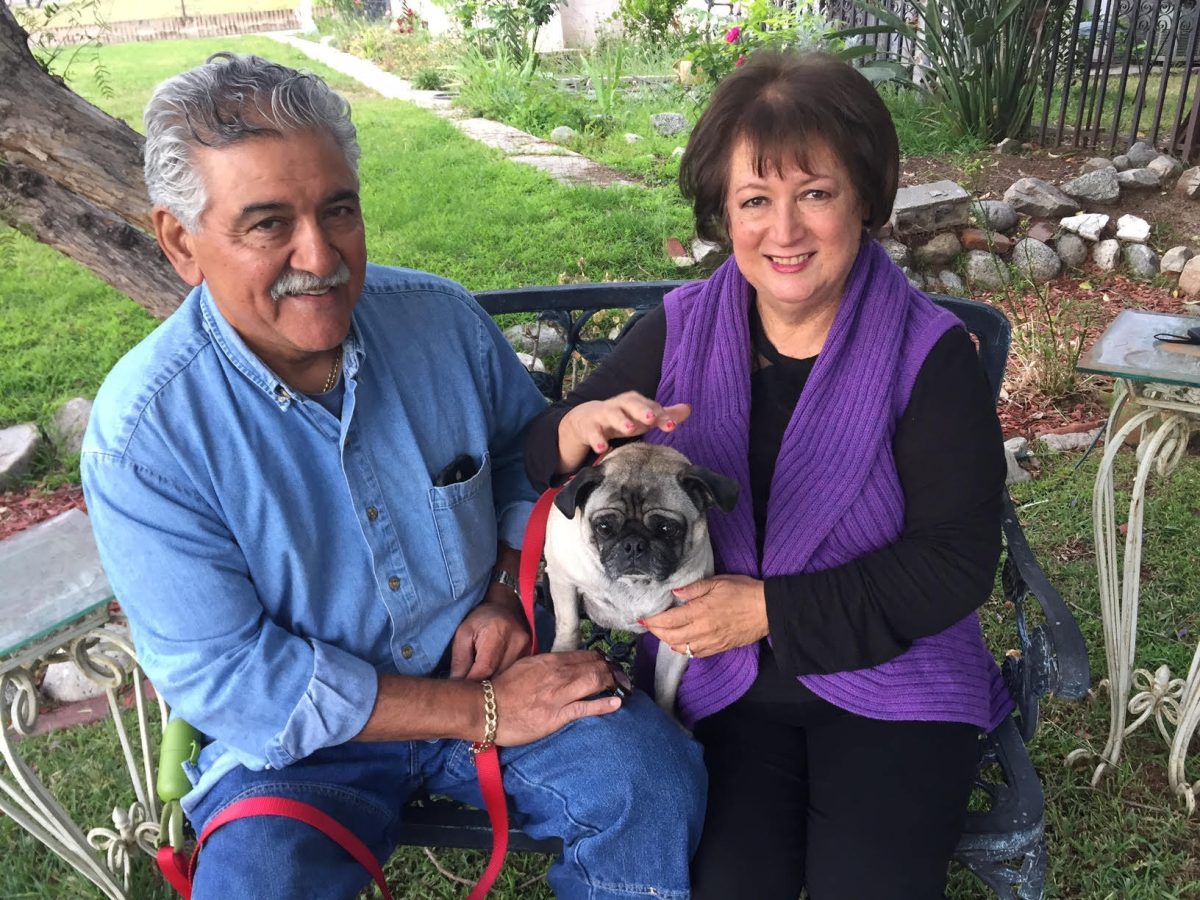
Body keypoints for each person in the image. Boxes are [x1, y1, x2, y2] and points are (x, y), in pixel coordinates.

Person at [80, 53, 704, 899]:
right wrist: (483, 713)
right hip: (302, 746)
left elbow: (527, 471)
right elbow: (233, 677)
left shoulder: (441, 324)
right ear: (181, 242)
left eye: (339, 210)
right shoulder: (145, 438)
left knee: (651, 783)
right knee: (258, 882)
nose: (320, 254)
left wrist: (501, 589)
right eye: (268, 224)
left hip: (492, 671)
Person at [525, 52, 1012, 899]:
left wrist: (767, 610)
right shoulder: (681, 328)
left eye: (815, 194)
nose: (784, 231)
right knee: (728, 882)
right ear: (726, 214)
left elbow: (957, 563)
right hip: (721, 683)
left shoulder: (930, 356)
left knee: (871, 886)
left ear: (865, 201)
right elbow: (541, 450)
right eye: (755, 200)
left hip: (896, 675)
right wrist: (576, 426)